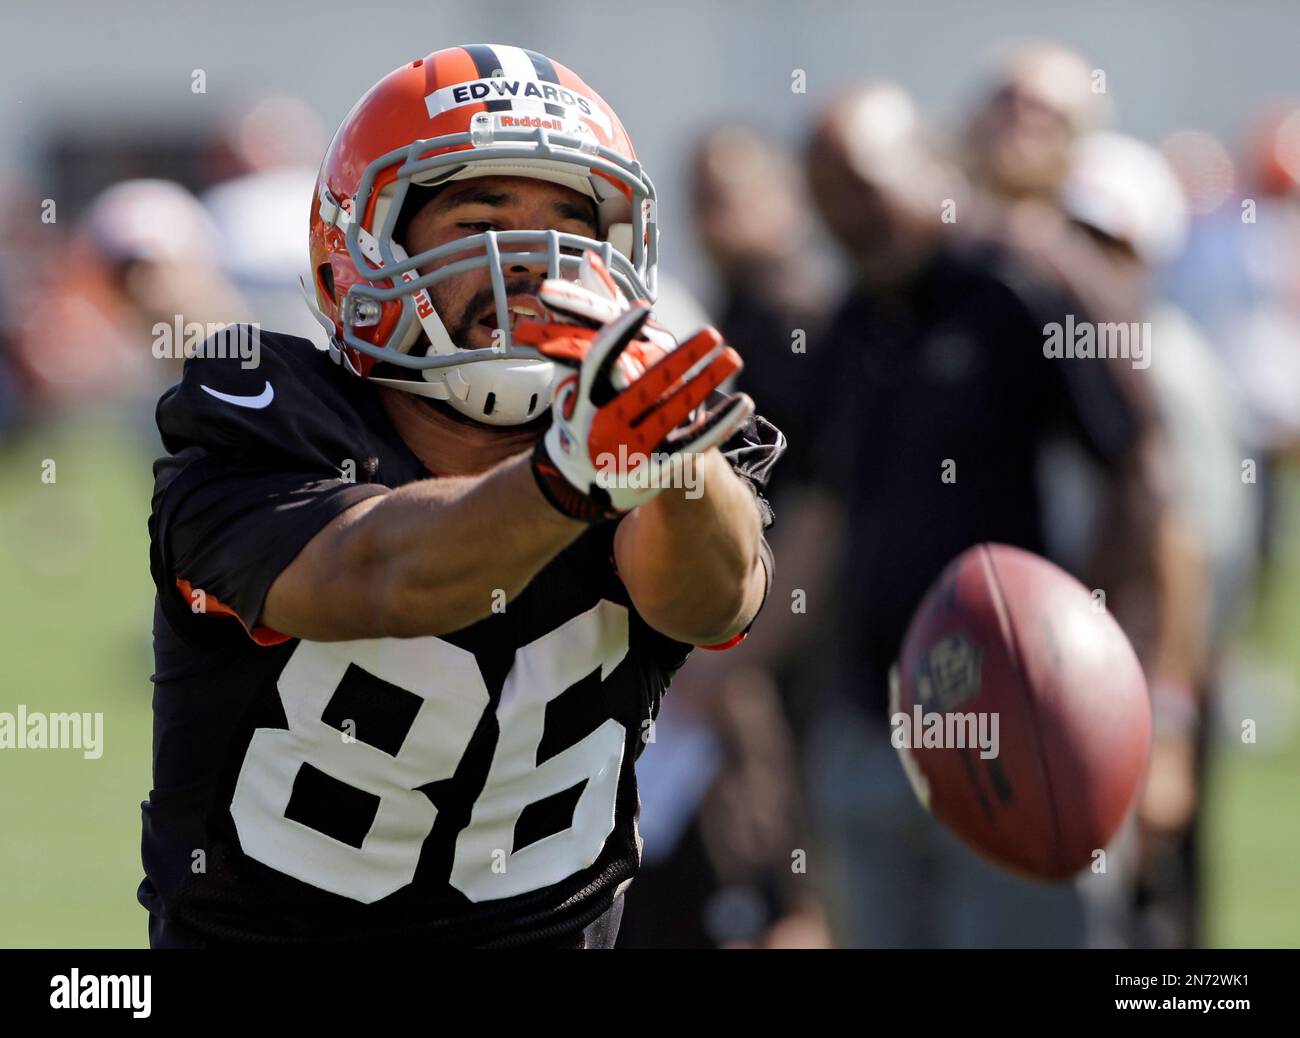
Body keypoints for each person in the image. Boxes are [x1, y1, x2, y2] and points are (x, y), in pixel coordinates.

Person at [138, 44, 783, 949]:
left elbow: (712, 603)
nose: (536, 260)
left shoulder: (662, 432)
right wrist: (568, 477)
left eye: (574, 224)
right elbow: (382, 572)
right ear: (359, 250)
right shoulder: (266, 418)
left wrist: (674, 460)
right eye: (482, 219)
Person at [800, 84, 1169, 947]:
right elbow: (822, 508)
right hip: (871, 711)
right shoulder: (852, 319)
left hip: (1018, 719)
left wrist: (1115, 669)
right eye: (824, 196)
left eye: (860, 183)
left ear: (928, 165)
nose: (845, 215)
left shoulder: (1018, 284)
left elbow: (1140, 468)